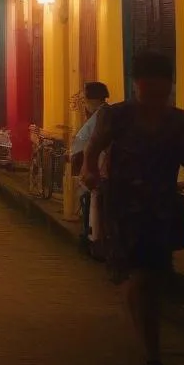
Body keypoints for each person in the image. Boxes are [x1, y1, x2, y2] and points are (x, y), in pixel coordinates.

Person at [83, 52, 184, 365]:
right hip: (125, 208)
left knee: (150, 279)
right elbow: (94, 148)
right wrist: (88, 170)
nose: (156, 90)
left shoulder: (180, 121)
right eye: (149, 82)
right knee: (142, 278)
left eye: (162, 83)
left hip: (161, 208)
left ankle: (151, 346)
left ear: (170, 85)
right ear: (137, 84)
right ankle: (153, 357)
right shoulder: (117, 116)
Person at [70, 81, 110, 256]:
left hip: (97, 168)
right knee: (90, 204)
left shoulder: (102, 115)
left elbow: (89, 142)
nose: (83, 102)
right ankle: (92, 237)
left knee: (94, 206)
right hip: (94, 167)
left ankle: (95, 240)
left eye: (85, 98)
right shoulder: (100, 115)